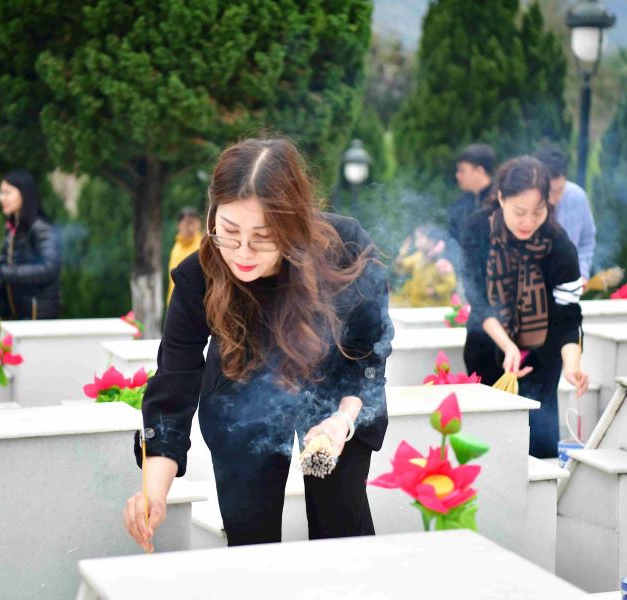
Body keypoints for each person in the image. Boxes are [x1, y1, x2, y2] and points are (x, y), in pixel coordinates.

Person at [123, 138, 393, 550]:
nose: (242, 253)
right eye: (229, 232)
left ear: (293, 226)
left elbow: (368, 348)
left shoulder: (343, 249)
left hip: (334, 387)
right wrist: (153, 493)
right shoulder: (199, 276)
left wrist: (343, 419)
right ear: (213, 215)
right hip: (240, 390)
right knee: (250, 535)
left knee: (342, 524)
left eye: (263, 237)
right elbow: (173, 386)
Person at [459, 156, 589, 458]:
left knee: (538, 446)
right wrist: (508, 346)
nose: (528, 222)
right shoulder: (477, 229)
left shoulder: (559, 245)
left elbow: (569, 317)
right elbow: (478, 300)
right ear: (501, 198)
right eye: (519, 212)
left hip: (541, 361)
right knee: (487, 447)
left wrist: (572, 365)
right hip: (488, 350)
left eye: (538, 212)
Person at [0, 169, 62, 320]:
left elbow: (49, 269)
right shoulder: (14, 226)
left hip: (36, 313)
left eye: (7, 192)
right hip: (16, 310)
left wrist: (2, 272)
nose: (2, 198)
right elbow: (9, 259)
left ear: (24, 193)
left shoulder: (41, 228)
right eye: (0, 193)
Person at [533, 147, 596, 281]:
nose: (554, 198)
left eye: (560, 189)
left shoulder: (577, 197)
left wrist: (582, 273)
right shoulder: (526, 203)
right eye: (549, 191)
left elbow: (586, 241)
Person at [391, 225, 457, 307]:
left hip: (436, 308)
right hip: (417, 306)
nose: (416, 242)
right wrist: (402, 253)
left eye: (419, 238)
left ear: (431, 241)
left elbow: (450, 285)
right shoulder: (418, 256)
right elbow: (401, 267)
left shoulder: (441, 260)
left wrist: (435, 291)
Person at [448, 144, 496, 247]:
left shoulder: (501, 201)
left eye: (462, 171)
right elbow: (453, 238)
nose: (457, 176)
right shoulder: (460, 204)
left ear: (479, 171)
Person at [166, 206, 203, 305]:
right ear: (178, 225)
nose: (190, 227)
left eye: (193, 223)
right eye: (187, 223)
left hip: (197, 304)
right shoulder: (176, 248)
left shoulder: (203, 245)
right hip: (175, 303)